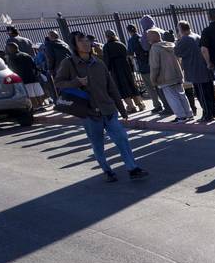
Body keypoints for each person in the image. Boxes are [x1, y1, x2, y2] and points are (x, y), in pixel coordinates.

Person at [55, 32, 148, 182]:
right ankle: (107, 170)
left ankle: (132, 168)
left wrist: (122, 108)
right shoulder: (69, 63)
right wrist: (76, 82)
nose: (86, 43)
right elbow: (58, 83)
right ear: (74, 45)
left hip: (108, 109)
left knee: (122, 139)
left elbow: (111, 87)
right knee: (98, 144)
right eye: (81, 41)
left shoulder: (99, 62)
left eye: (87, 40)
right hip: (89, 112)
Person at [176, 20, 215, 122]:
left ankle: (207, 114)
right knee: (210, 93)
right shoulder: (197, 36)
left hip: (196, 71)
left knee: (201, 95)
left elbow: (177, 52)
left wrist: (177, 40)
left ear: (181, 29)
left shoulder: (185, 39)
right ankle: (214, 112)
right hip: (205, 69)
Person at [146, 28, 191, 123]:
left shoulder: (155, 48)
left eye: (148, 37)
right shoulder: (171, 45)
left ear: (152, 38)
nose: (147, 39)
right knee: (182, 95)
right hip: (177, 75)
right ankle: (188, 114)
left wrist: (153, 79)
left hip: (165, 78)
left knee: (172, 98)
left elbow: (155, 66)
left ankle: (181, 116)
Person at [127, 23, 167, 115]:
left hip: (143, 66)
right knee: (158, 86)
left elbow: (130, 54)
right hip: (152, 63)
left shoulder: (131, 41)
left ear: (128, 31)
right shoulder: (144, 37)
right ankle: (166, 104)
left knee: (150, 87)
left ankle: (157, 105)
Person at [103, 30, 144, 114]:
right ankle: (140, 104)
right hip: (126, 67)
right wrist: (132, 69)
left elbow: (106, 61)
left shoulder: (106, 47)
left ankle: (131, 107)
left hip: (116, 69)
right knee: (131, 85)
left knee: (122, 87)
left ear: (106, 37)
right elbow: (129, 57)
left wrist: (108, 70)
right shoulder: (121, 44)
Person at [5, 42, 45, 110]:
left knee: (30, 94)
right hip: (33, 77)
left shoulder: (12, 57)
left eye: (8, 48)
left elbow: (12, 70)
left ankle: (36, 107)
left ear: (12, 48)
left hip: (24, 79)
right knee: (38, 92)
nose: (7, 50)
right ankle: (41, 106)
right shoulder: (26, 55)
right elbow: (34, 66)